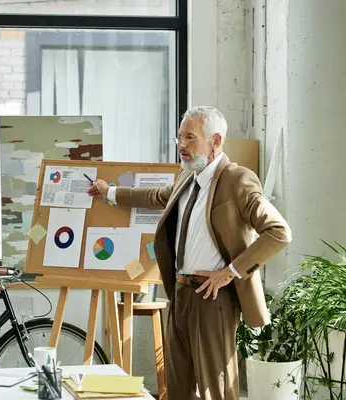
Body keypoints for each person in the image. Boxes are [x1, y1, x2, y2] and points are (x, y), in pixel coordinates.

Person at [87, 106, 291, 400]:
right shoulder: (187, 176)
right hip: (180, 292)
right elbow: (155, 196)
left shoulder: (238, 180)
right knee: (178, 386)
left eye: (190, 138)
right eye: (179, 138)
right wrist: (109, 192)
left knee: (215, 389)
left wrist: (229, 273)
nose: (182, 145)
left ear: (216, 141)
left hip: (212, 299)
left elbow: (279, 232)